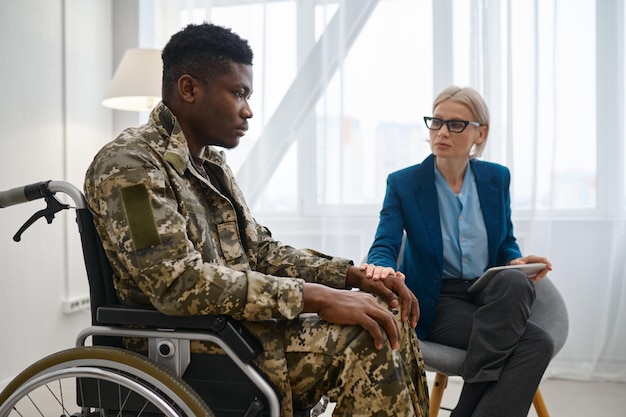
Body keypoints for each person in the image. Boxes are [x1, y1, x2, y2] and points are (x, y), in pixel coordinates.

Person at [84, 23, 429, 417]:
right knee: (368, 338)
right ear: (189, 89)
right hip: (188, 344)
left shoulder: (210, 163)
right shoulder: (129, 166)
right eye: (239, 93)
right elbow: (176, 283)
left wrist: (349, 276)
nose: (248, 109)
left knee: (387, 308)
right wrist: (312, 296)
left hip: (235, 329)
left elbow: (260, 251)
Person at [363, 86, 555, 417]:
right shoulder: (404, 183)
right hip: (438, 300)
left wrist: (515, 261)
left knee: (517, 282)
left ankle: (465, 408)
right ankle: (466, 409)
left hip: (488, 290)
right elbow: (385, 243)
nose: (442, 132)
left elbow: (505, 239)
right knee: (536, 343)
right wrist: (383, 268)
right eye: (436, 122)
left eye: (455, 125)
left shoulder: (496, 178)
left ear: (480, 133)